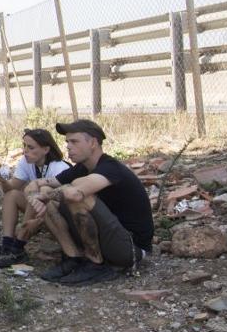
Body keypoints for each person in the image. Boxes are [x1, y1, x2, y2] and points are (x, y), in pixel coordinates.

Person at [24, 120, 153, 286]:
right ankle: (73, 258)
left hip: (129, 248)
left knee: (77, 196)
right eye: (67, 142)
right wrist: (37, 194)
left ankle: (95, 264)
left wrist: (46, 194)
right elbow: (36, 185)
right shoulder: (81, 168)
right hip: (108, 239)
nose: (68, 147)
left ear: (92, 143)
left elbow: (75, 194)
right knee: (50, 198)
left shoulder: (110, 167)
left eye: (74, 141)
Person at [0, 129, 71, 267]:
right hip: (39, 211)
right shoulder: (26, 162)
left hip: (59, 216)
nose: (25, 151)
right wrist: (4, 181)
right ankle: (6, 245)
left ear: (46, 149)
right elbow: (12, 189)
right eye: (24, 146)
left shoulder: (59, 167)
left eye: (31, 147)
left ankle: (18, 246)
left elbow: (61, 200)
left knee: (35, 194)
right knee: (12, 195)